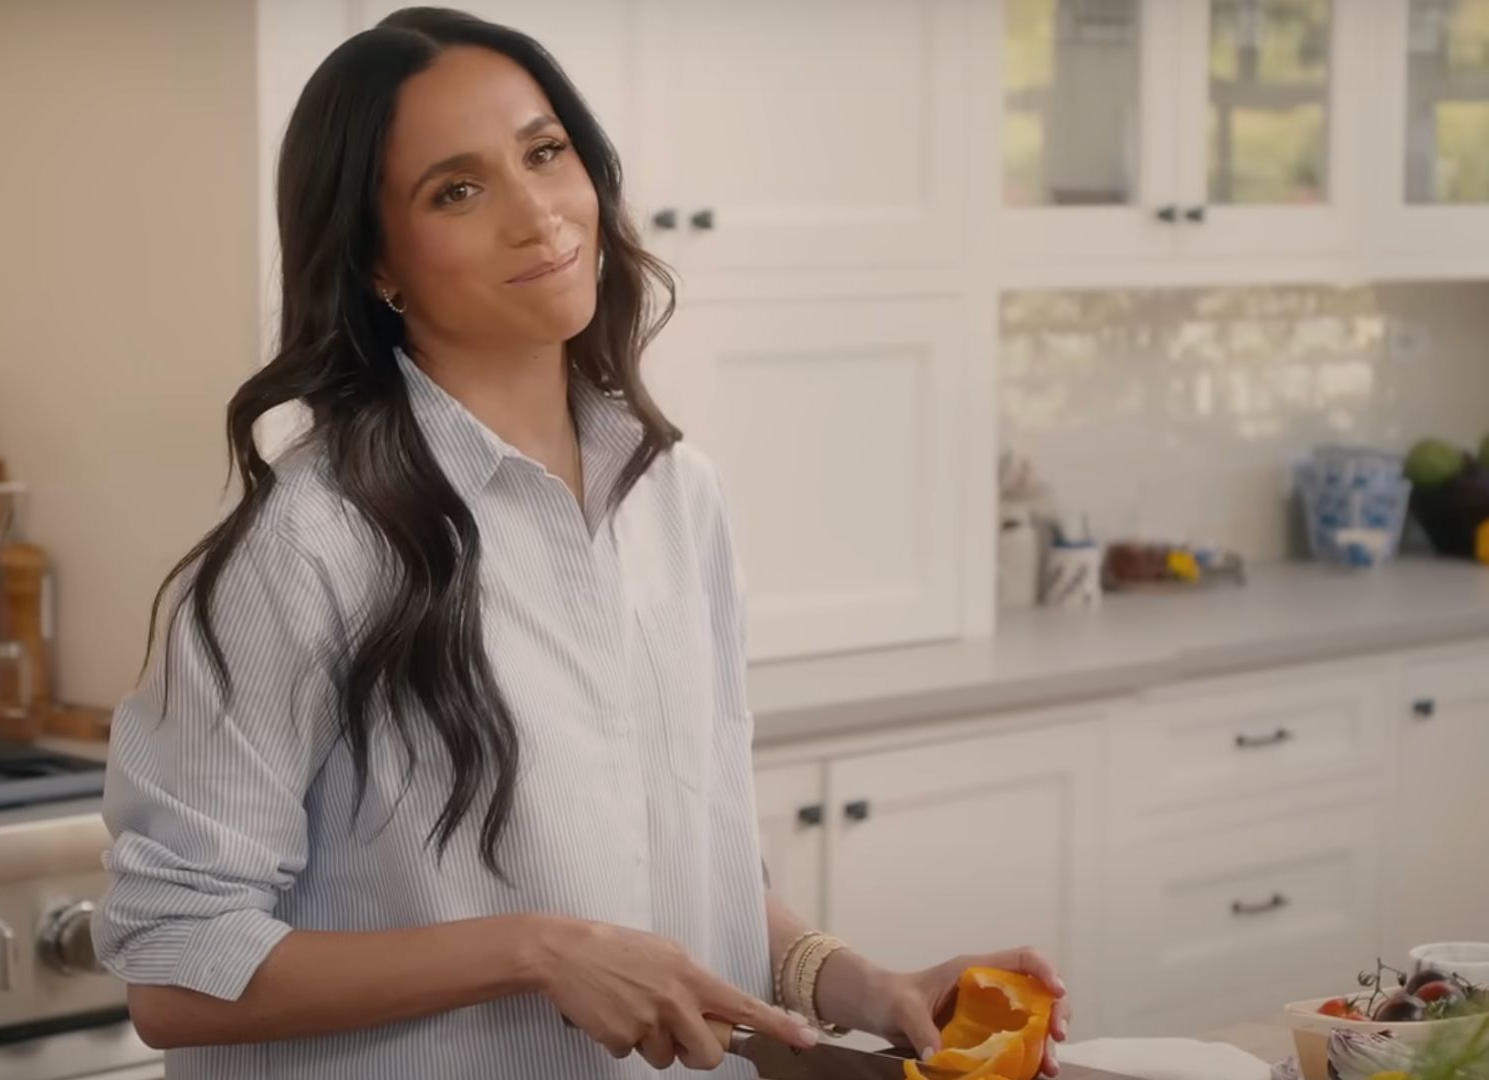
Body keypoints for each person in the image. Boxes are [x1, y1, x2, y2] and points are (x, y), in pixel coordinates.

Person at [94, 7, 1071, 1077]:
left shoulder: (677, 498)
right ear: (378, 264)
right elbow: (177, 968)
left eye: (545, 153)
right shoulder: (304, 549)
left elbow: (677, 870)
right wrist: (534, 950)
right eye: (456, 190)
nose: (539, 215)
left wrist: (858, 984)